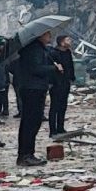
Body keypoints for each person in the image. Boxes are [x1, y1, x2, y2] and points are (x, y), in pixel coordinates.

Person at [12, 31, 59, 166]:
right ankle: (26, 155)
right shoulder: (34, 50)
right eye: (48, 34)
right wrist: (53, 68)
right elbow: (36, 69)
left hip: (33, 87)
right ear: (40, 35)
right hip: (33, 88)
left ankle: (27, 154)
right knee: (31, 122)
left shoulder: (38, 49)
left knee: (32, 121)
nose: (50, 36)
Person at [48, 35, 74, 137]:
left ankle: (60, 127)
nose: (70, 41)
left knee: (63, 106)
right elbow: (50, 70)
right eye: (68, 40)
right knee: (54, 107)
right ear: (62, 42)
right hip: (56, 83)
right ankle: (52, 130)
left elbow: (70, 66)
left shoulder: (68, 52)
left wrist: (71, 77)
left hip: (65, 82)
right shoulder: (53, 53)